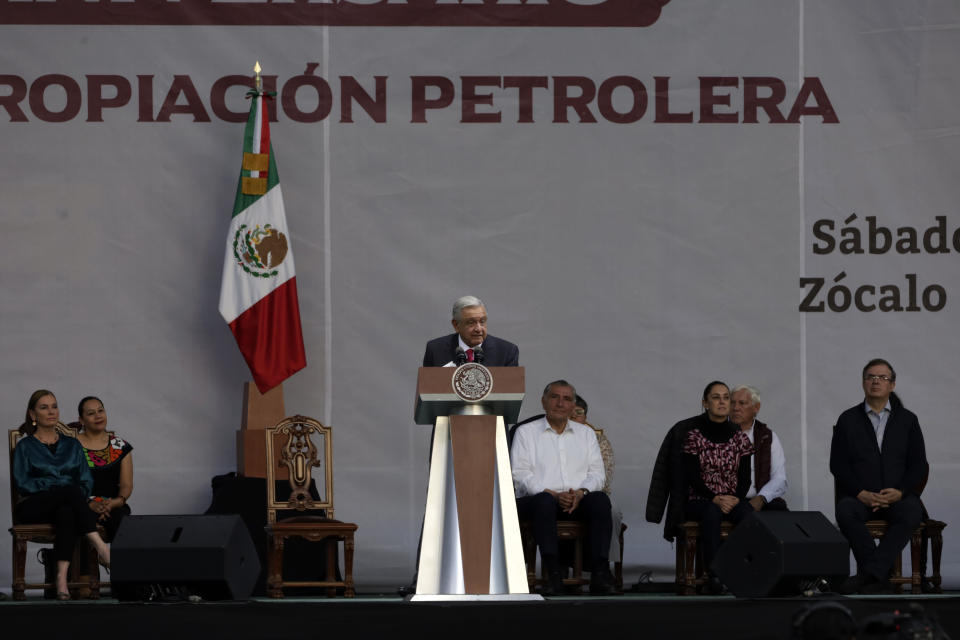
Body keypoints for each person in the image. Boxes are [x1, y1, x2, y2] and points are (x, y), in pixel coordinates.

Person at [830, 358, 927, 594]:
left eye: (882, 377)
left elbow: (918, 465)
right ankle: (878, 575)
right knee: (845, 511)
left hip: (898, 495)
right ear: (863, 383)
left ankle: (870, 575)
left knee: (912, 513)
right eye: (870, 376)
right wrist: (860, 493)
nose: (876, 381)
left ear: (892, 385)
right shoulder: (847, 419)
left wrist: (900, 492)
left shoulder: (908, 420)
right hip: (861, 496)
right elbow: (838, 465)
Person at [511, 380, 613, 595]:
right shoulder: (525, 432)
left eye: (566, 399)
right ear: (544, 401)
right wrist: (552, 494)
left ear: (573, 405)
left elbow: (597, 474)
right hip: (538, 500)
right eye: (555, 397)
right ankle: (554, 574)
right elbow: (520, 474)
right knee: (544, 502)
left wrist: (580, 493)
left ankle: (599, 575)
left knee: (600, 501)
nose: (560, 403)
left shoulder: (585, 434)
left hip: (576, 500)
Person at [12, 390, 111, 600]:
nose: (51, 411)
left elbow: (86, 482)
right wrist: (58, 487)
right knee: (69, 492)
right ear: (32, 414)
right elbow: (23, 483)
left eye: (54, 406)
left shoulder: (72, 444)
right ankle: (101, 546)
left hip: (67, 504)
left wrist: (63, 492)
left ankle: (61, 578)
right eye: (44, 407)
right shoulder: (25, 446)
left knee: (67, 510)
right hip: (33, 505)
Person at [681, 381, 754, 594]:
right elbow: (692, 477)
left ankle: (744, 572)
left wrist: (734, 498)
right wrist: (714, 497)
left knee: (749, 515)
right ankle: (714, 575)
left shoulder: (740, 438)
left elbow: (745, 479)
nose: (722, 402)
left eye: (725, 397)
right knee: (711, 512)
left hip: (731, 499)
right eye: (716, 397)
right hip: (700, 499)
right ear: (705, 403)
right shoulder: (693, 436)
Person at [569, 395, 623, 572]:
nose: (573, 417)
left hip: (595, 492)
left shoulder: (599, 440)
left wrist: (582, 490)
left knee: (612, 512)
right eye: (569, 412)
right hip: (563, 493)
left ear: (585, 417)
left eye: (578, 413)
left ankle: (605, 563)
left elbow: (605, 476)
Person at [77, 396, 133, 542]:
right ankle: (87, 564)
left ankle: (117, 564)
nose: (98, 416)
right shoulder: (71, 445)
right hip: (81, 504)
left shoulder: (120, 446)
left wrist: (113, 503)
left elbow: (126, 485)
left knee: (121, 519)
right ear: (81, 420)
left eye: (100, 410)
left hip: (113, 505)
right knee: (79, 516)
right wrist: (91, 505)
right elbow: (67, 481)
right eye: (91, 413)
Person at [729, 385, 788, 511]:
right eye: (732, 403)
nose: (735, 408)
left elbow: (779, 478)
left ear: (756, 408)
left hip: (758, 498)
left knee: (780, 510)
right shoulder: (719, 433)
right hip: (728, 499)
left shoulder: (767, 436)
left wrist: (762, 498)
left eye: (742, 403)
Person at [422, 295, 519, 367]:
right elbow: (426, 392)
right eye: (471, 322)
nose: (478, 329)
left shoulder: (507, 352)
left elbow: (512, 392)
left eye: (482, 321)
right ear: (456, 325)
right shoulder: (435, 350)